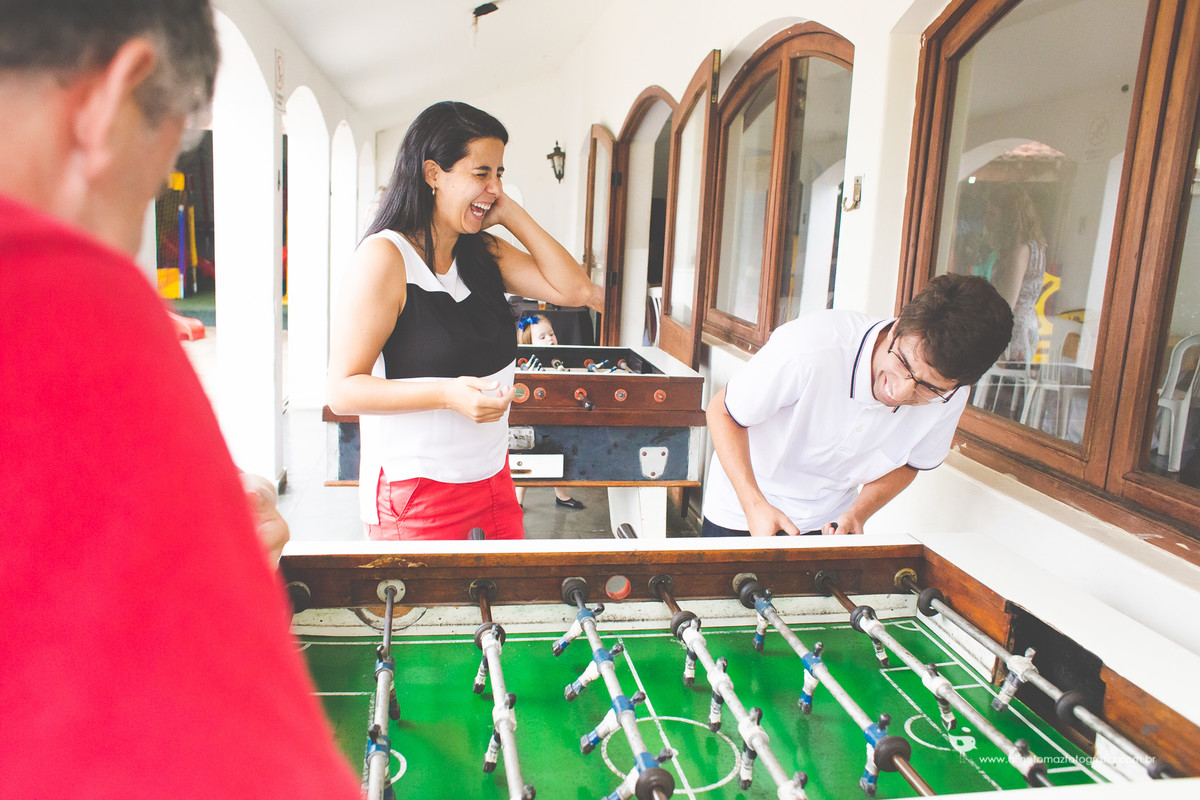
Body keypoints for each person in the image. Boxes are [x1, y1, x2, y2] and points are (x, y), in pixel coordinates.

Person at [0, 3, 360, 798]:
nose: (132, 237)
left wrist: (193, 527)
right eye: (157, 173)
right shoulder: (62, 292)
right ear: (110, 100)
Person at [327, 101, 592, 540]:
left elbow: (576, 291)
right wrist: (447, 394)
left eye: (500, 173)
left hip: (493, 480)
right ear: (433, 174)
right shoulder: (386, 258)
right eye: (481, 173)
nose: (494, 187)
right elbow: (342, 390)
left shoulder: (483, 252)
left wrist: (508, 212)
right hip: (415, 493)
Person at [702, 274, 1013, 537]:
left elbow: (911, 463)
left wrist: (858, 513)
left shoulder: (952, 394)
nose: (902, 392)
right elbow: (724, 412)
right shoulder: (811, 347)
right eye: (904, 363)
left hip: (830, 525)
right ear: (897, 328)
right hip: (742, 507)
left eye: (928, 387)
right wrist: (753, 504)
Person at [957, 184, 1047, 361]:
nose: (986, 218)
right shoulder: (1033, 246)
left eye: (992, 214)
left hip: (1013, 337)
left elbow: (1007, 304)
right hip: (1023, 330)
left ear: (1007, 219)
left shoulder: (1021, 250)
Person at [514, 313, 584, 509]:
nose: (550, 340)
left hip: (555, 415)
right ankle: (518, 498)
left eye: (551, 334)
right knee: (527, 456)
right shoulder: (526, 365)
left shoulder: (558, 360)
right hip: (533, 418)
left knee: (559, 452)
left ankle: (561, 494)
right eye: (542, 337)